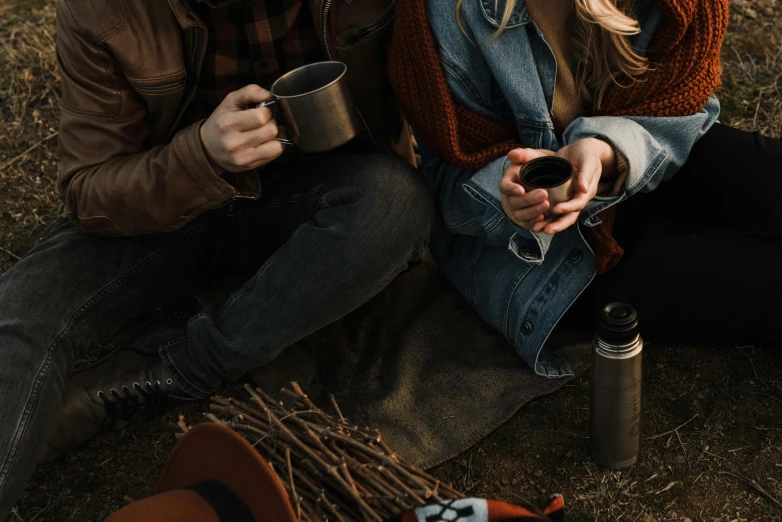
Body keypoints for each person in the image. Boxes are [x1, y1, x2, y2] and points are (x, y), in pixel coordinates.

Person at [0, 0, 434, 516]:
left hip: (324, 193)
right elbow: (89, 189)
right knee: (21, 314)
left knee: (392, 204)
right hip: (164, 202)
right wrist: (201, 155)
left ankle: (170, 370)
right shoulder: (101, 10)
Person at [388, 0, 782, 378]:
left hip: (648, 150)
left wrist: (608, 150)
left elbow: (681, 94)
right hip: (550, 253)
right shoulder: (449, 10)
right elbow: (447, 183)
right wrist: (506, 200)